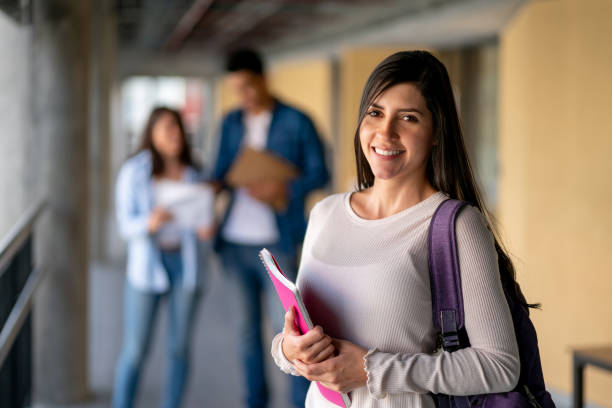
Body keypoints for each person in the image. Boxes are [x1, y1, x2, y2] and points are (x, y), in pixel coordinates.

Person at [270, 50, 523, 407]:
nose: (385, 132)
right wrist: (288, 349)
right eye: (375, 113)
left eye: (408, 118)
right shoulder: (325, 213)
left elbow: (500, 366)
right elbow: (298, 342)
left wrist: (373, 370)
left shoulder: (454, 225)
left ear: (436, 132)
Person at [212, 49, 329, 408]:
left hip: (280, 241)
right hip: (234, 242)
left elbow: (321, 172)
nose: (243, 95)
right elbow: (220, 172)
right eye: (236, 88)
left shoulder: (297, 120)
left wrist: (283, 188)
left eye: (248, 86)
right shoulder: (231, 122)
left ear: (264, 79)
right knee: (247, 336)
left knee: (293, 333)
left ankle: (299, 404)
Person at [113, 107, 214, 408]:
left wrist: (208, 227)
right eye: (166, 128)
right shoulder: (135, 171)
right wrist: (149, 223)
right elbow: (124, 225)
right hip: (148, 268)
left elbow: (204, 222)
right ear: (151, 134)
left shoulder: (195, 173)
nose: (174, 134)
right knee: (135, 350)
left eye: (177, 128)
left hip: (186, 266)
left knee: (179, 348)